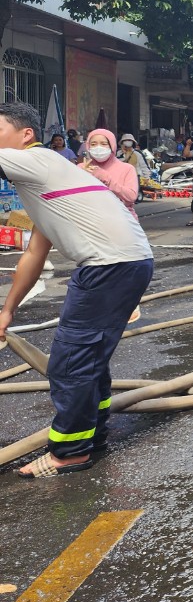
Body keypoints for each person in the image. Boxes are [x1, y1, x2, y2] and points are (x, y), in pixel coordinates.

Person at [0, 101, 153, 477]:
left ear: (26, 135)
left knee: (70, 362)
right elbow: (35, 253)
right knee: (88, 358)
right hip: (123, 263)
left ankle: (68, 452)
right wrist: (8, 309)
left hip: (109, 265)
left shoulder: (38, 161)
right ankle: (91, 435)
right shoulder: (47, 180)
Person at [79, 129, 141, 220]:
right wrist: (80, 176)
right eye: (93, 144)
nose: (98, 147)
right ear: (88, 146)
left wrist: (105, 178)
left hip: (122, 221)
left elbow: (131, 196)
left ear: (112, 146)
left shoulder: (127, 169)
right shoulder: (81, 168)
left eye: (104, 144)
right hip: (90, 221)